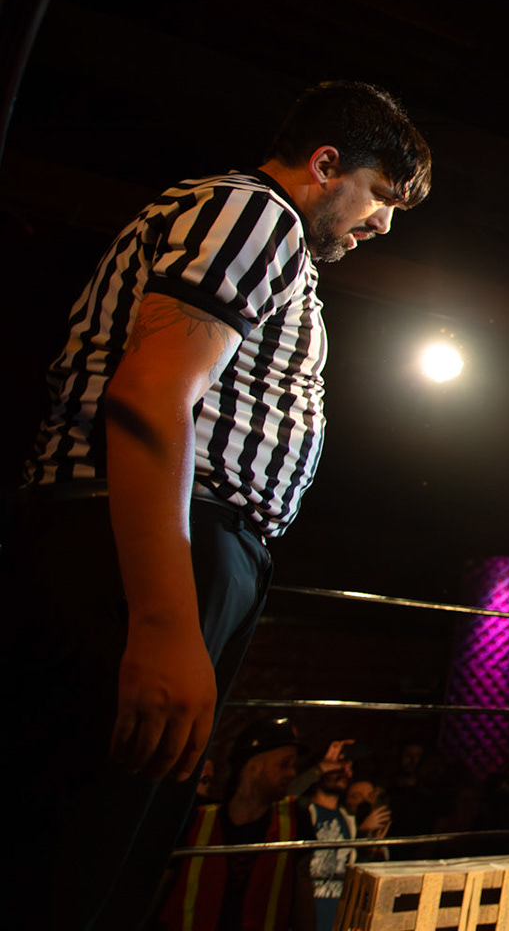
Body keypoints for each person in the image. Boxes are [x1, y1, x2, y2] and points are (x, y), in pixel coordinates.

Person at [2, 82, 431, 931]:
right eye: (382, 195)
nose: (383, 224)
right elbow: (150, 396)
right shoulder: (256, 211)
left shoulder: (253, 227)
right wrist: (167, 624)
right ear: (326, 164)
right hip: (153, 536)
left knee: (98, 846)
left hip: (169, 535)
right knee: (77, 850)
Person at [160, 718, 319, 931]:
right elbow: (161, 888)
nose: (292, 773)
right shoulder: (196, 819)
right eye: (285, 764)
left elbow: (303, 894)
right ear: (253, 767)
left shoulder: (295, 818)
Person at [305, 752, 362, 931]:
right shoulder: (306, 811)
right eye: (338, 767)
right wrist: (318, 769)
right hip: (306, 914)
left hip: (334, 918)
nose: (344, 772)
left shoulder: (346, 818)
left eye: (348, 768)